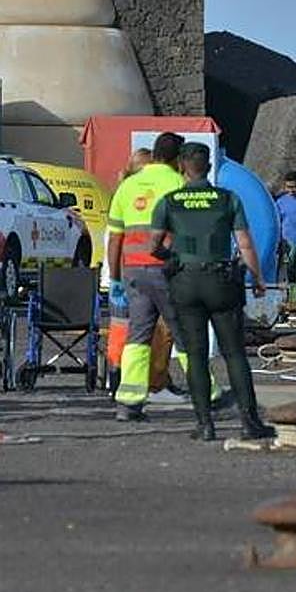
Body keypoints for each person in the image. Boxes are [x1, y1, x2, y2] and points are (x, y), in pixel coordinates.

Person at [148, 142, 272, 441]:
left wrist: (173, 258)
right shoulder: (227, 199)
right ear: (208, 167)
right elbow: (244, 243)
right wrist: (256, 279)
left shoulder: (169, 201)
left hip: (186, 282)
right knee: (234, 353)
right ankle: (249, 422)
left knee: (196, 353)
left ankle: (204, 424)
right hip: (221, 282)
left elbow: (153, 245)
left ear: (182, 166)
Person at [107, 132, 196, 421]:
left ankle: (129, 402)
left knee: (138, 335)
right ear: (178, 159)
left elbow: (115, 239)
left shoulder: (127, 185)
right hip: (166, 270)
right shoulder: (177, 184)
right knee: (184, 332)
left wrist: (117, 278)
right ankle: (208, 394)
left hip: (133, 271)